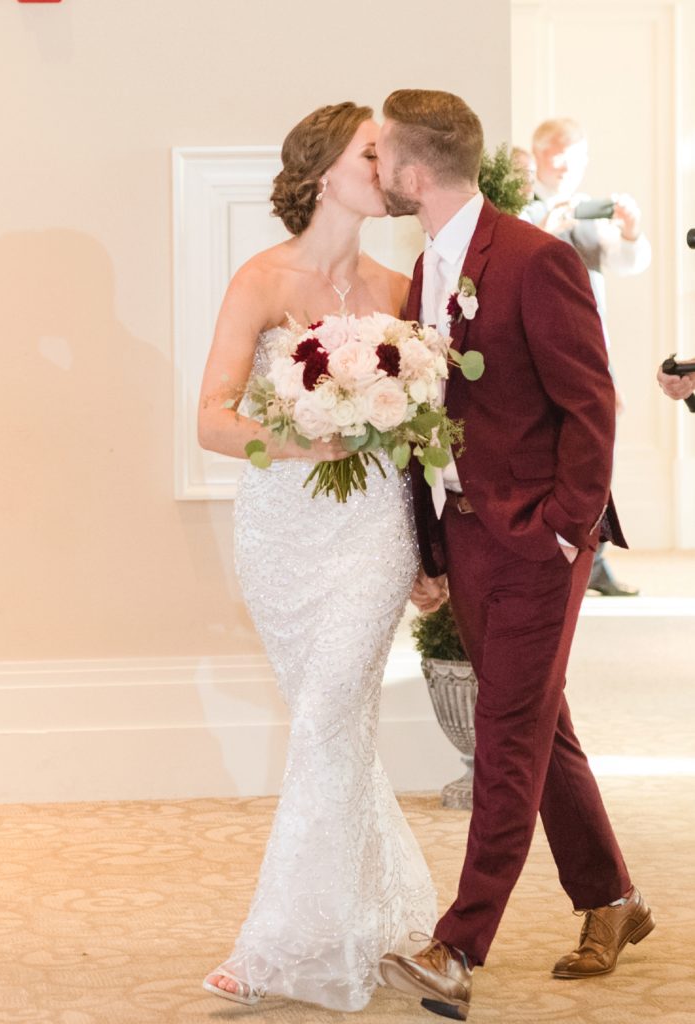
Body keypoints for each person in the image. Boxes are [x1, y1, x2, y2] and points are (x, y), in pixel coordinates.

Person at [374, 89, 653, 1022]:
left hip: (537, 538)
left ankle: (457, 948)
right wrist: (429, 540)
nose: (377, 169)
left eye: (382, 155)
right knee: (537, 724)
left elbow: (591, 404)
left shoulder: (537, 260)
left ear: (414, 172)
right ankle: (612, 898)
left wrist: (565, 529)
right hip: (467, 533)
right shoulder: (428, 267)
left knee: (505, 734)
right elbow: (430, 415)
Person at [197, 101, 436, 1012]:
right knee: (335, 728)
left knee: (328, 713)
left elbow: (424, 441)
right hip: (281, 532)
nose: (387, 166)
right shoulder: (262, 280)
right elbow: (212, 419)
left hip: (375, 529)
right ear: (323, 171)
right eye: (371, 153)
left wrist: (433, 551)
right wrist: (300, 438)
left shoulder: (400, 288)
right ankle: (373, 911)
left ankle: (275, 947)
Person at [528, 116, 651, 597]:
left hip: (590, 346)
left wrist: (632, 232)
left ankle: (593, 557)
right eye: (557, 153)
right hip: (535, 349)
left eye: (575, 156)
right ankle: (549, 550)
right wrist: (545, 226)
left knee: (596, 449)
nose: (565, 165)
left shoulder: (589, 212)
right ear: (538, 154)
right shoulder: (521, 208)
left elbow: (626, 263)